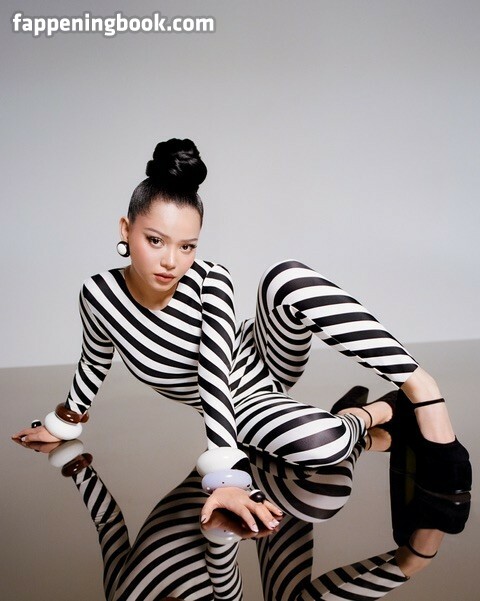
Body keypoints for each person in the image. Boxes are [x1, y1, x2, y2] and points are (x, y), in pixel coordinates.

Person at [12, 138, 470, 534]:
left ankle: (420, 388)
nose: (171, 261)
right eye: (155, 240)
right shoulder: (98, 295)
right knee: (325, 445)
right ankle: (372, 412)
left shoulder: (211, 280)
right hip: (242, 403)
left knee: (285, 277)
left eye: (187, 246)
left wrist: (226, 478)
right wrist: (62, 425)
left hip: (266, 354)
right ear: (125, 230)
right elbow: (95, 359)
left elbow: (213, 368)